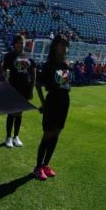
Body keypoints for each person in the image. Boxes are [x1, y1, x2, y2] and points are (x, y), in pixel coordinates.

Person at [34, 35, 72, 181]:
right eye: (62, 45)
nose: (64, 48)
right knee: (47, 135)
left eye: (66, 45)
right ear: (55, 46)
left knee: (56, 134)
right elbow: (38, 84)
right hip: (52, 102)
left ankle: (46, 165)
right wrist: (43, 103)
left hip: (64, 102)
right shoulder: (49, 65)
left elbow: (66, 84)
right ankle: (38, 167)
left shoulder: (67, 64)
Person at [2, 34, 36, 148]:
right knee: (12, 113)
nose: (21, 45)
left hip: (25, 89)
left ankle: (16, 136)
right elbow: (4, 71)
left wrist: (31, 89)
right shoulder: (9, 56)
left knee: (20, 113)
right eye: (19, 42)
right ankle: (8, 137)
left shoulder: (28, 56)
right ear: (14, 44)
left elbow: (33, 73)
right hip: (13, 89)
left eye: (23, 42)